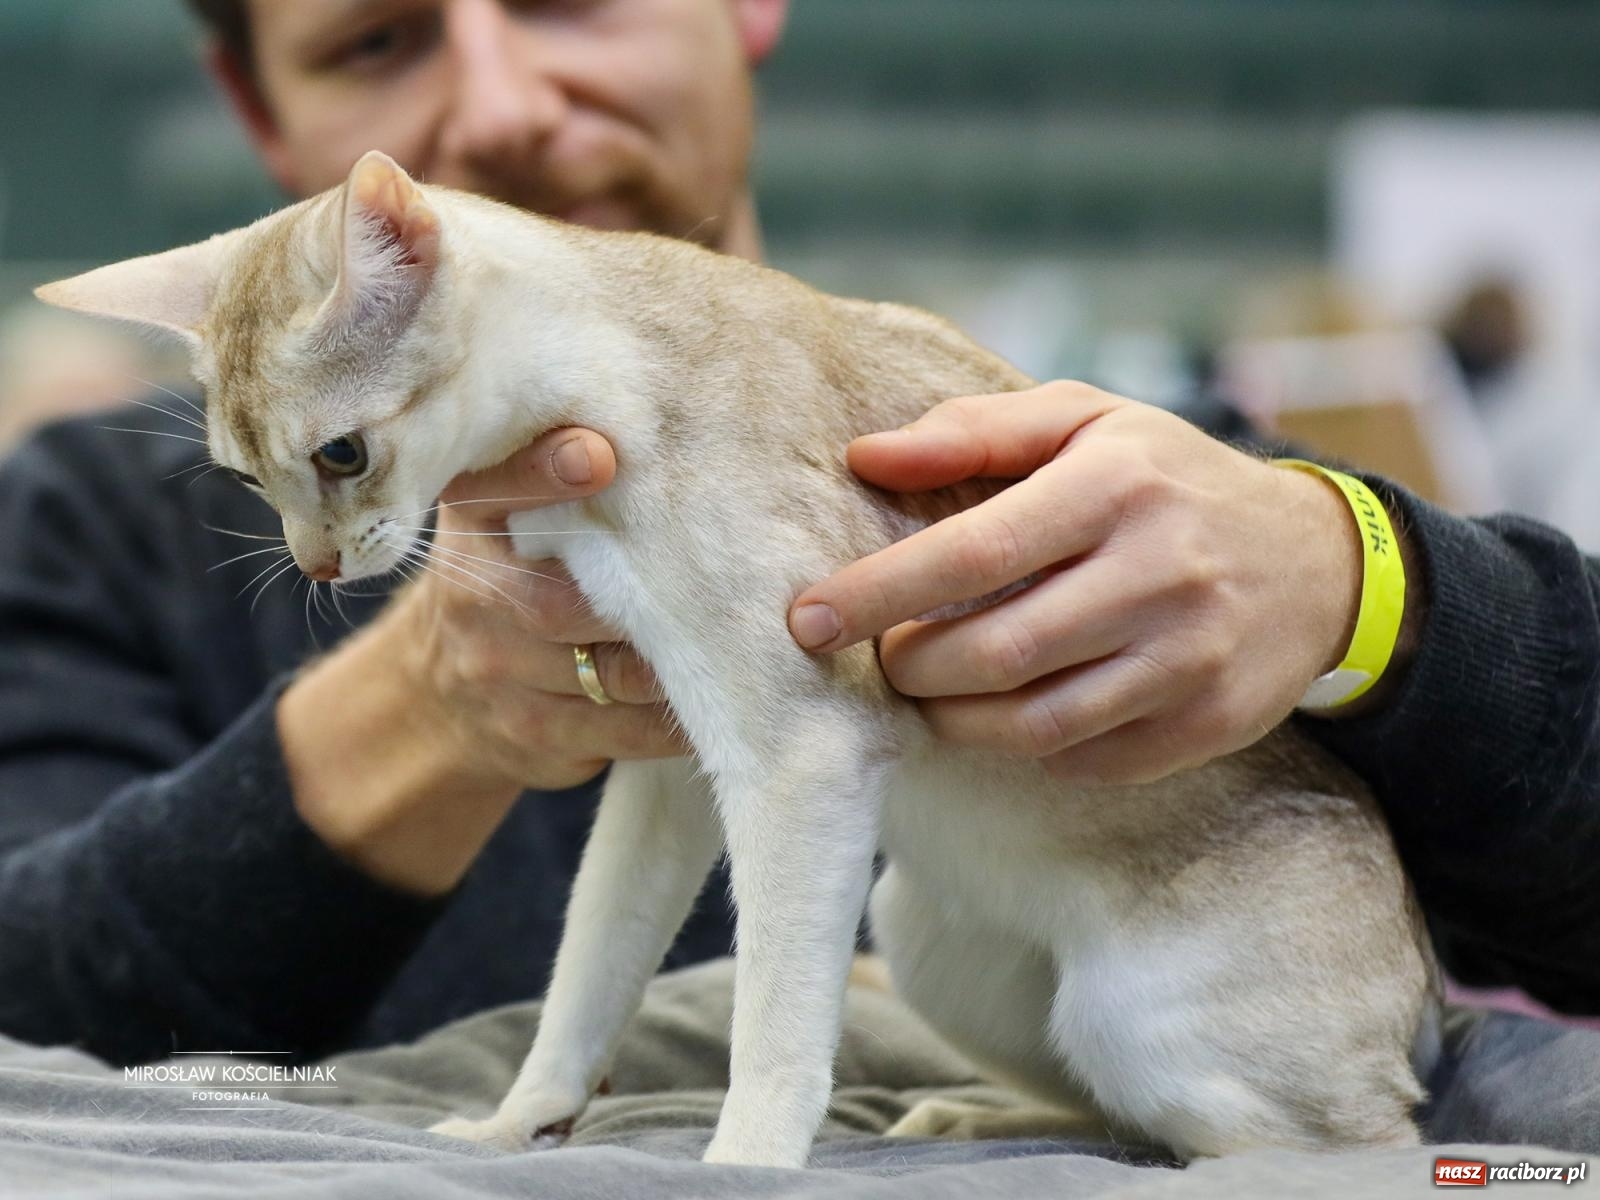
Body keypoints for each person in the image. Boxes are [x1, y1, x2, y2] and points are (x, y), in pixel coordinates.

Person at [0, 0, 1595, 1068]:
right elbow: (34, 1023)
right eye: (374, 39)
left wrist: (1368, 591)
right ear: (254, 107)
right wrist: (419, 710)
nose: (498, 97)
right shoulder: (92, 531)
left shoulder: (1088, 459)